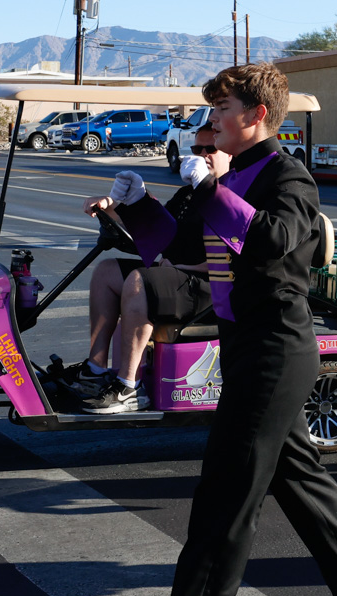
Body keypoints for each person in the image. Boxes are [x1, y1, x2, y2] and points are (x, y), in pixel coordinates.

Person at [130, 62, 337, 596]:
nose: (211, 119)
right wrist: (134, 208)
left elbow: (272, 238)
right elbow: (182, 246)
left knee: (226, 484)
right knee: (294, 473)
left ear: (258, 116)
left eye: (221, 108)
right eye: (212, 109)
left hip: (277, 347)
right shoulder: (233, 170)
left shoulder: (288, 178)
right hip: (242, 342)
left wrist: (210, 189)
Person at [67, 124, 228, 414]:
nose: (203, 155)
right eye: (197, 149)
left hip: (211, 285)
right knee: (106, 271)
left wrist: (177, 265)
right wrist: (112, 204)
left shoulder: (228, 196)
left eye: (211, 149)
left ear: (228, 152)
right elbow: (156, 231)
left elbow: (231, 257)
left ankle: (130, 386)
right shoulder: (188, 194)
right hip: (178, 276)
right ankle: (95, 369)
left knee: (140, 282)